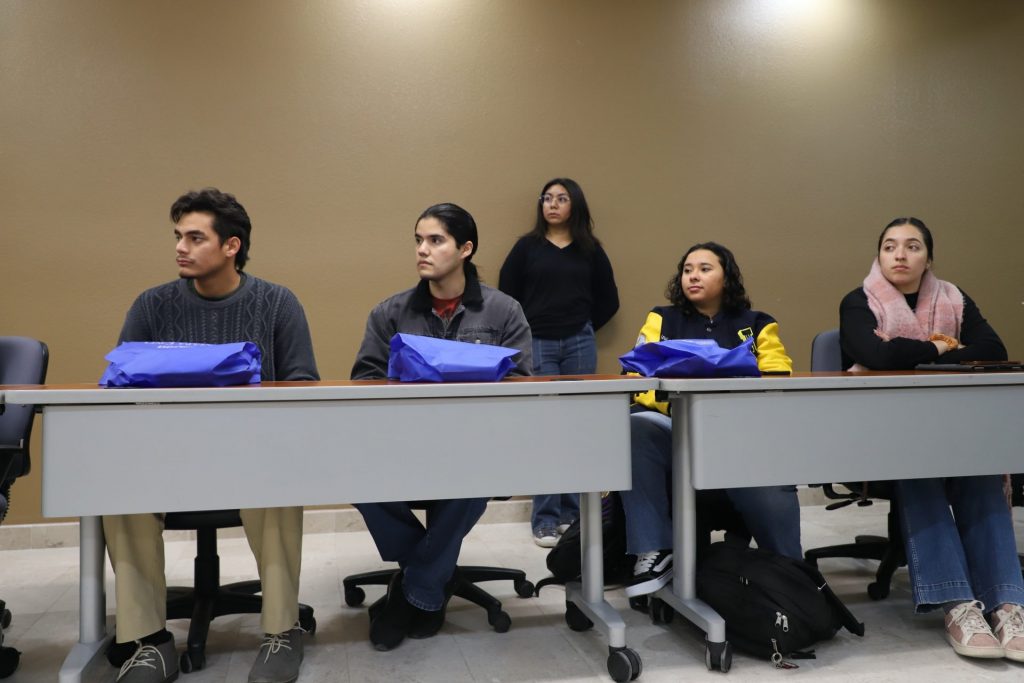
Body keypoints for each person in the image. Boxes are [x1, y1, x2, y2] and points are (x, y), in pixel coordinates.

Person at [105, 188, 319, 683]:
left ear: (231, 246)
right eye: (178, 236)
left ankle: (282, 630)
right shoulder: (152, 305)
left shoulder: (277, 303)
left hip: (253, 457)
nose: (180, 247)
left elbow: (302, 388)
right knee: (117, 488)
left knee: (280, 481)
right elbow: (121, 386)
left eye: (195, 237)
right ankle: (149, 641)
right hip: (169, 457)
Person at [840, 217, 1024, 661]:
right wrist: (943, 348)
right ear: (879, 255)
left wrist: (910, 354)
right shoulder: (858, 302)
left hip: (954, 429)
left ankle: (1007, 605)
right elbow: (875, 355)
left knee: (981, 469)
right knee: (918, 468)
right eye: (890, 246)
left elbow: (993, 349)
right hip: (884, 435)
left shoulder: (954, 298)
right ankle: (958, 604)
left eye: (912, 246)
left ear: (929, 258)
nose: (900, 255)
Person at [351, 202, 532, 651]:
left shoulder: (504, 311)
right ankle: (430, 576)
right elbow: (364, 381)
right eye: (418, 240)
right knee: (351, 471)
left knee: (476, 472)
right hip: (405, 444)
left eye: (435, 240)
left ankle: (414, 592)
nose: (422, 250)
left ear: (465, 249)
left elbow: (522, 386)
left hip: (478, 447)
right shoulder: (390, 312)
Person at [620, 242, 801, 598]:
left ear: (726, 277)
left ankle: (794, 578)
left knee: (770, 480)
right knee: (633, 426)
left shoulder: (757, 324)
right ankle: (655, 550)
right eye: (687, 270)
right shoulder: (662, 318)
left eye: (705, 269)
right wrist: (675, 396)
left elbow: (778, 377)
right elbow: (635, 375)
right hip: (673, 427)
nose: (693, 276)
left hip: (737, 433)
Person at [498, 178, 619, 547]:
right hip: (537, 343)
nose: (552, 204)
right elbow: (506, 296)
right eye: (547, 198)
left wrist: (583, 326)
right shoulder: (527, 248)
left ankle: (573, 515)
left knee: (577, 426)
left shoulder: (590, 250)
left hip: (580, 343)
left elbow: (609, 299)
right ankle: (546, 518)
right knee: (547, 428)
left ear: (574, 205)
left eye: (561, 198)